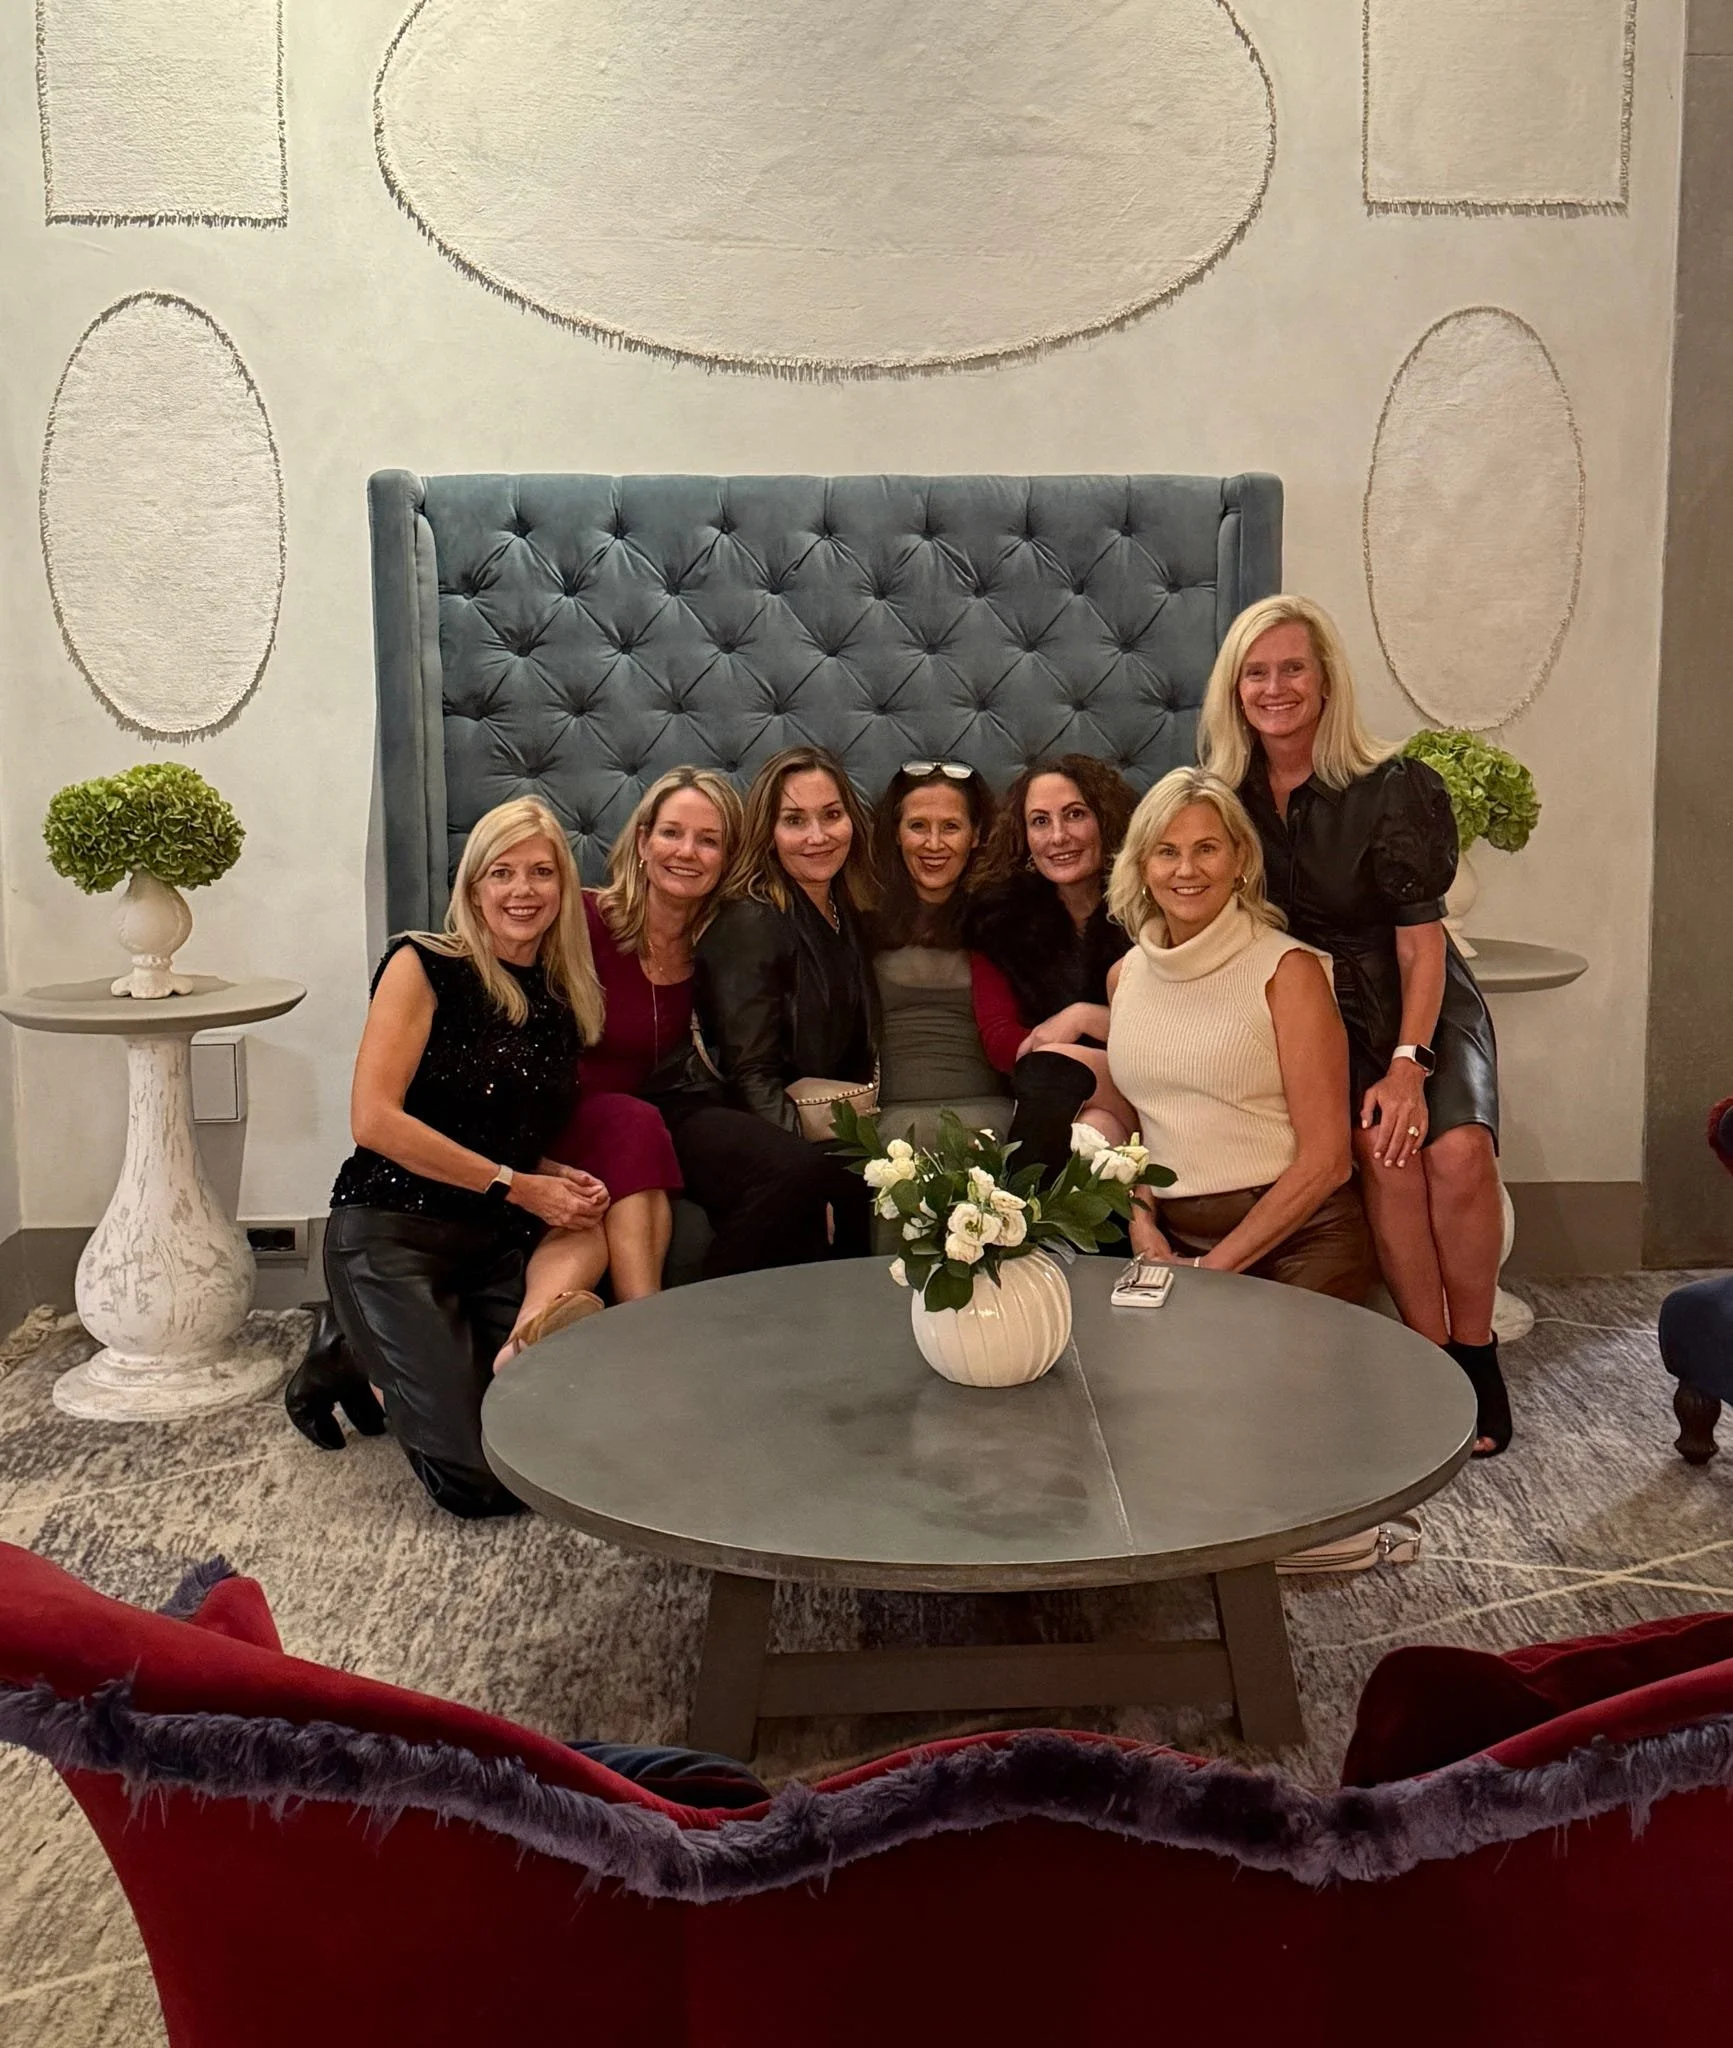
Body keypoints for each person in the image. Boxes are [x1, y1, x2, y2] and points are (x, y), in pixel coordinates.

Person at [1200, 594, 1510, 1454]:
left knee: (1454, 1150)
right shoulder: (1224, 801)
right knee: (1382, 1153)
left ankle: (1478, 1356)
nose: (1274, 688)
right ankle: (1430, 1358)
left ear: (1327, 680)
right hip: (1316, 1014)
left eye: (1292, 667)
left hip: (1417, 1000)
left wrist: (1409, 1064)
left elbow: (1421, 947)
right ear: (1233, 691)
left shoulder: (1395, 786)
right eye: (1254, 673)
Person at [309, 797, 610, 1518]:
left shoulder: (562, 996)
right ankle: (349, 1345)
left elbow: (493, 1120)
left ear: (564, 891)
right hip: (390, 1228)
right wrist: (517, 1185)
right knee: (479, 1483)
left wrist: (549, 1172)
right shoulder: (422, 962)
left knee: (546, 1443)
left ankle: (361, 1351)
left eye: (541, 872)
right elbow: (374, 1120)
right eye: (501, 872)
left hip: (491, 1241)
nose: (522, 890)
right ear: (473, 887)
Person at [1105, 767, 1375, 1300]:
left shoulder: (1287, 971)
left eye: (1207, 848)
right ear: (1141, 866)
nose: (1186, 869)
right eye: (1166, 851)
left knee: (1269, 1384)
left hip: (1300, 1240)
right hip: (1174, 1238)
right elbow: (1142, 1125)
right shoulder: (1125, 975)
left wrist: (1213, 1268)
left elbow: (1327, 1159)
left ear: (1241, 862)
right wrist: (1141, 1225)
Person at [501, 769, 743, 1357]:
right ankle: (648, 1335)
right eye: (671, 833)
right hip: (542, 1113)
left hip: (618, 1128)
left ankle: (522, 1345)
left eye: (708, 840)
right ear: (642, 842)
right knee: (635, 1122)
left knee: (598, 1200)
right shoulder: (580, 919)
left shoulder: (719, 949)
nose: (687, 851)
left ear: (727, 857)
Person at [679, 746, 878, 1268]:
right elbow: (749, 1074)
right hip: (727, 1114)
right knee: (812, 1185)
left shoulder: (844, 908)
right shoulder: (754, 919)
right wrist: (811, 1171)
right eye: (794, 820)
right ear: (768, 832)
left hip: (804, 1116)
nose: (818, 836)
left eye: (831, 816)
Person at [962, 754, 1140, 1172]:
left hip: (1154, 1083)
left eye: (1075, 814)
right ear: (1024, 837)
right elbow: (1000, 1040)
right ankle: (1035, 1232)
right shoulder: (998, 920)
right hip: (1065, 1095)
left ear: (1106, 820)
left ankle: (1011, 1226)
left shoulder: (1152, 908)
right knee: (1092, 1133)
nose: (1058, 836)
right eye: (1040, 821)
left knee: (1054, 1070)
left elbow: (1181, 1031)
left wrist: (1083, 1018)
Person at [867, 760, 1005, 1132]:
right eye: (917, 826)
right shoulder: (861, 919)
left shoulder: (1005, 922)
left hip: (994, 1124)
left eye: (951, 827)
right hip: (886, 1128)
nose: (933, 844)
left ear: (976, 834)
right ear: (896, 833)